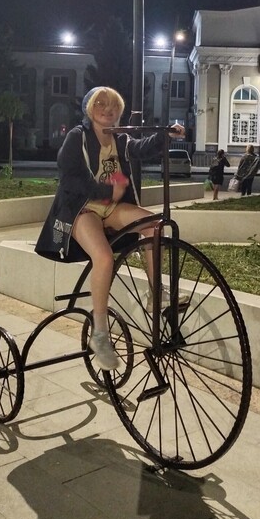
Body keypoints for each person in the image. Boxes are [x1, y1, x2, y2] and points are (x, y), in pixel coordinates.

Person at [35, 86, 185, 370]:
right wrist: (106, 189)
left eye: (114, 105)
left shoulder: (121, 138)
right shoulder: (77, 137)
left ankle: (157, 294)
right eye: (100, 104)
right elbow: (70, 177)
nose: (108, 109)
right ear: (89, 109)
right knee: (103, 257)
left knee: (154, 226)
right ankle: (100, 332)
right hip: (83, 209)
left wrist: (166, 134)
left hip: (112, 208)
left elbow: (141, 148)